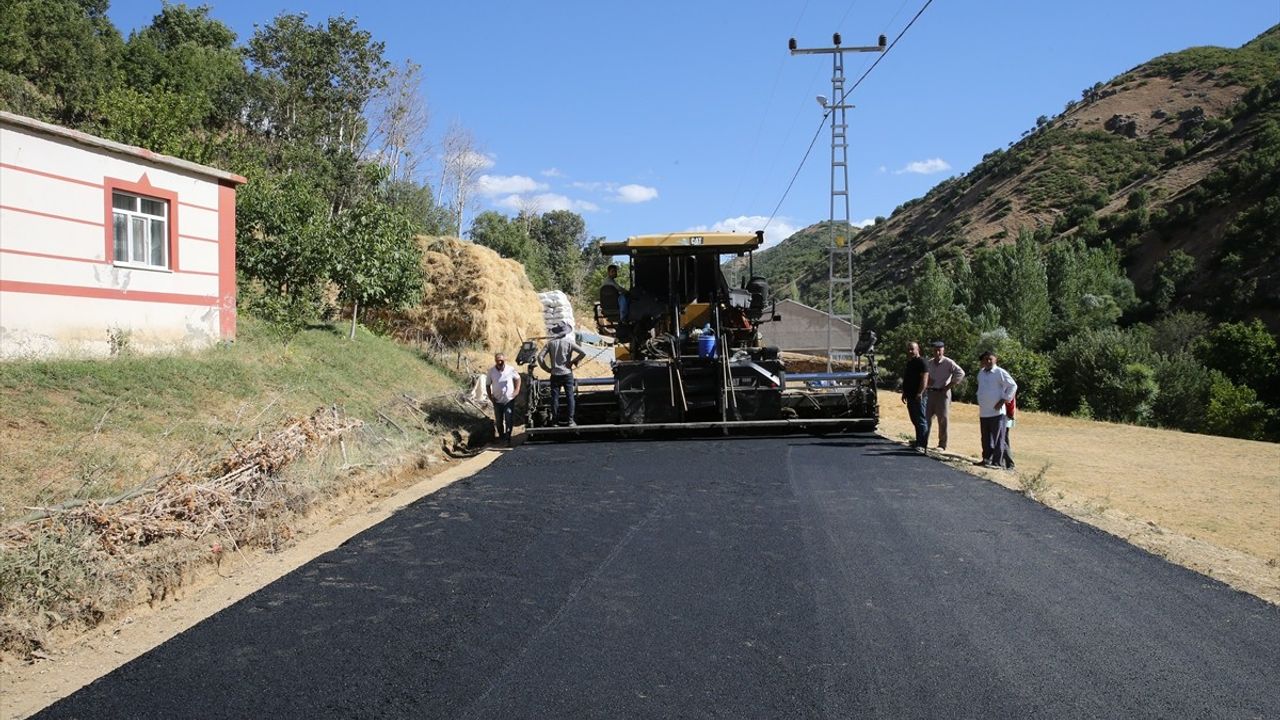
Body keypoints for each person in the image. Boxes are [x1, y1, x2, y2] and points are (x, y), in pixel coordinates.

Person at [537, 323, 587, 426]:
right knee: (570, 397)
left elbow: (540, 357)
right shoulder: (569, 343)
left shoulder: (550, 344)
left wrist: (546, 368)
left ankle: (555, 421)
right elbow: (583, 353)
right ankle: (570, 420)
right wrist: (573, 361)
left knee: (554, 398)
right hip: (567, 373)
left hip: (555, 374)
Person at [975, 350, 1018, 469]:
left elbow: (1013, 386)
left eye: (990, 359)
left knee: (999, 439)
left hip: (997, 413)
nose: (988, 361)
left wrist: (1003, 400)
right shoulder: (981, 373)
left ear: (995, 359)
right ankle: (986, 459)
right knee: (985, 438)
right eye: (986, 359)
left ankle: (998, 463)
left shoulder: (1000, 372)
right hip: (984, 412)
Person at [925, 340, 966, 451]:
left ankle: (942, 444)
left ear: (943, 350)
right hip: (930, 393)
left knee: (943, 419)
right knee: (926, 418)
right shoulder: (929, 362)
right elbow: (925, 376)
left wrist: (949, 386)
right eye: (935, 350)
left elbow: (961, 373)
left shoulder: (949, 363)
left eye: (939, 350)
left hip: (943, 394)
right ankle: (923, 440)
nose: (937, 353)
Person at [486, 352, 521, 446]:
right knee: (499, 421)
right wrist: (490, 397)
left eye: (501, 360)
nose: (500, 362)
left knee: (509, 418)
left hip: (509, 399)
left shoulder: (510, 369)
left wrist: (516, 390)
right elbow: (487, 385)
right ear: (495, 361)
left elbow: (518, 378)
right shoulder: (491, 371)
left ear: (504, 360)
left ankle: (508, 438)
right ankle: (502, 437)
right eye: (498, 360)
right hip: (497, 401)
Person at [900, 341, 929, 449]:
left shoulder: (922, 362)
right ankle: (918, 441)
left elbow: (924, 379)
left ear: (918, 349)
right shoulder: (910, 362)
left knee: (921, 420)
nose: (910, 351)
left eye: (912, 349)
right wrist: (904, 393)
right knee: (915, 420)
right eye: (908, 349)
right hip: (910, 396)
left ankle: (922, 445)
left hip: (919, 396)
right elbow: (907, 379)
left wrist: (920, 393)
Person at [1002, 394, 1017, 469]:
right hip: (1006, 416)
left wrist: (1010, 414)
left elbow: (1010, 403)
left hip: (1005, 417)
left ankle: (1010, 463)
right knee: (1004, 440)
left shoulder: (1008, 386)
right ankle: (1003, 462)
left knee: (1003, 440)